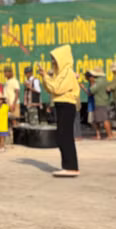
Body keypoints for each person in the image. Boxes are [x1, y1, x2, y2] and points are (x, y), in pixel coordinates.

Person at [39, 45, 80, 177]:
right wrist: (45, 76)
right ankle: (68, 166)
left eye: (54, 59)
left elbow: (57, 89)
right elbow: (50, 88)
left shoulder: (68, 73)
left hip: (67, 105)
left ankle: (71, 167)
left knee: (65, 136)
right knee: (62, 136)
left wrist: (46, 76)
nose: (53, 61)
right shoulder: (60, 74)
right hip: (61, 105)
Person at [87, 69, 113, 140]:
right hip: (106, 101)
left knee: (104, 119)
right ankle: (108, 134)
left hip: (100, 103)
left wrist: (91, 83)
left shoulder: (98, 82)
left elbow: (91, 91)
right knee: (104, 119)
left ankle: (109, 135)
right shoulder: (105, 80)